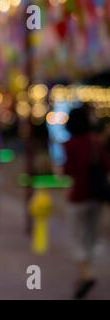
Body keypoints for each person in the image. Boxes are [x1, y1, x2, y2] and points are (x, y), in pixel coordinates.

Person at [63, 104, 108, 299]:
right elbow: (107, 165)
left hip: (78, 196)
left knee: (76, 238)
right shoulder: (96, 142)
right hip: (96, 196)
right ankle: (85, 274)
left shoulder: (71, 143)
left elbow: (68, 171)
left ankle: (85, 274)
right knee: (90, 237)